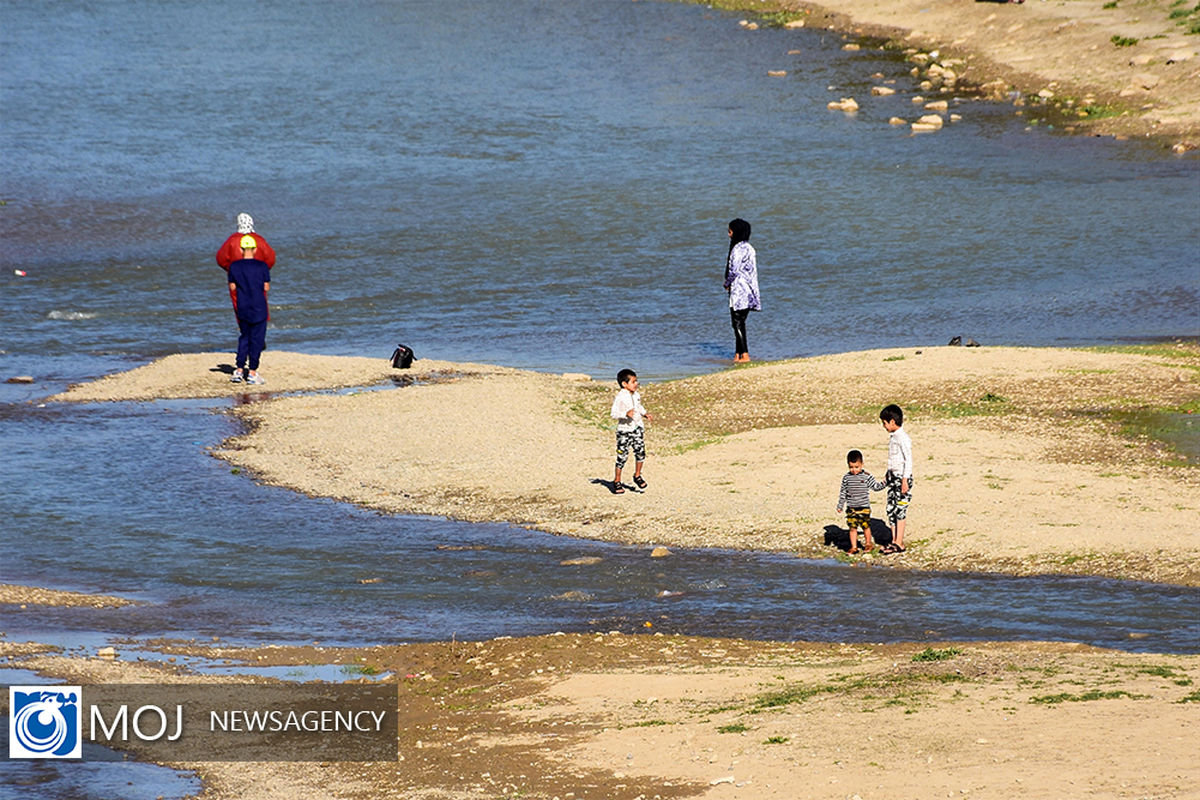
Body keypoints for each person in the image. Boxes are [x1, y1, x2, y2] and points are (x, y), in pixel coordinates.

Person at [227, 235, 271, 385]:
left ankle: (239, 369)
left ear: (240, 249)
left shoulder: (234, 266)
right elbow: (266, 287)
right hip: (259, 306)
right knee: (257, 339)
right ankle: (252, 371)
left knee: (244, 337)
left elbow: (232, 287)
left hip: (243, 306)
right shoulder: (262, 266)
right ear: (255, 249)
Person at [610, 368, 653, 494]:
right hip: (624, 431)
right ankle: (617, 480)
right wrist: (625, 414)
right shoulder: (620, 397)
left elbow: (638, 406)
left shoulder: (636, 395)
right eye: (633, 382)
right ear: (624, 384)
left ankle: (637, 475)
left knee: (640, 452)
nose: (636, 384)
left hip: (637, 428)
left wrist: (645, 414)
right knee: (622, 456)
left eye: (636, 381)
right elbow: (614, 413)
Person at [723, 218, 760, 363]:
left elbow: (734, 270)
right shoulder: (750, 248)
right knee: (740, 321)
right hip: (750, 289)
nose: (729, 234)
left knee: (737, 322)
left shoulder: (737, 249)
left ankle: (744, 354)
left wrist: (727, 283)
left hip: (739, 290)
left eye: (730, 231)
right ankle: (738, 354)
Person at [879, 404, 914, 553]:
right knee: (891, 509)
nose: (884, 426)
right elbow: (893, 459)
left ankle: (899, 542)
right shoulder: (893, 438)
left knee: (900, 509)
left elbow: (908, 460)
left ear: (892, 422)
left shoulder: (903, 438)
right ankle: (893, 540)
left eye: (885, 423)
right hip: (893, 477)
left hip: (902, 478)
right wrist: (888, 473)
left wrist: (905, 480)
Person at [836, 449, 885, 554]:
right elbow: (843, 492)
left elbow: (875, 487)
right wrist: (840, 505)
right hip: (851, 508)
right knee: (852, 528)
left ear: (862, 464)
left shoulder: (867, 476)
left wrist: (885, 483)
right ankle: (854, 547)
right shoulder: (846, 478)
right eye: (851, 467)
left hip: (864, 507)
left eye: (856, 467)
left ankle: (868, 544)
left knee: (865, 526)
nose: (854, 470)